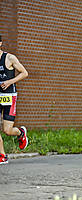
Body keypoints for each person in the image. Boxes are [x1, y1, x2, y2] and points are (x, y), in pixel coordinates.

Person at [0, 35, 28, 164]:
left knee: (7, 130)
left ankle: (20, 133)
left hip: (9, 97)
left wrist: (9, 82)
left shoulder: (9, 58)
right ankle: (2, 155)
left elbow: (24, 73)